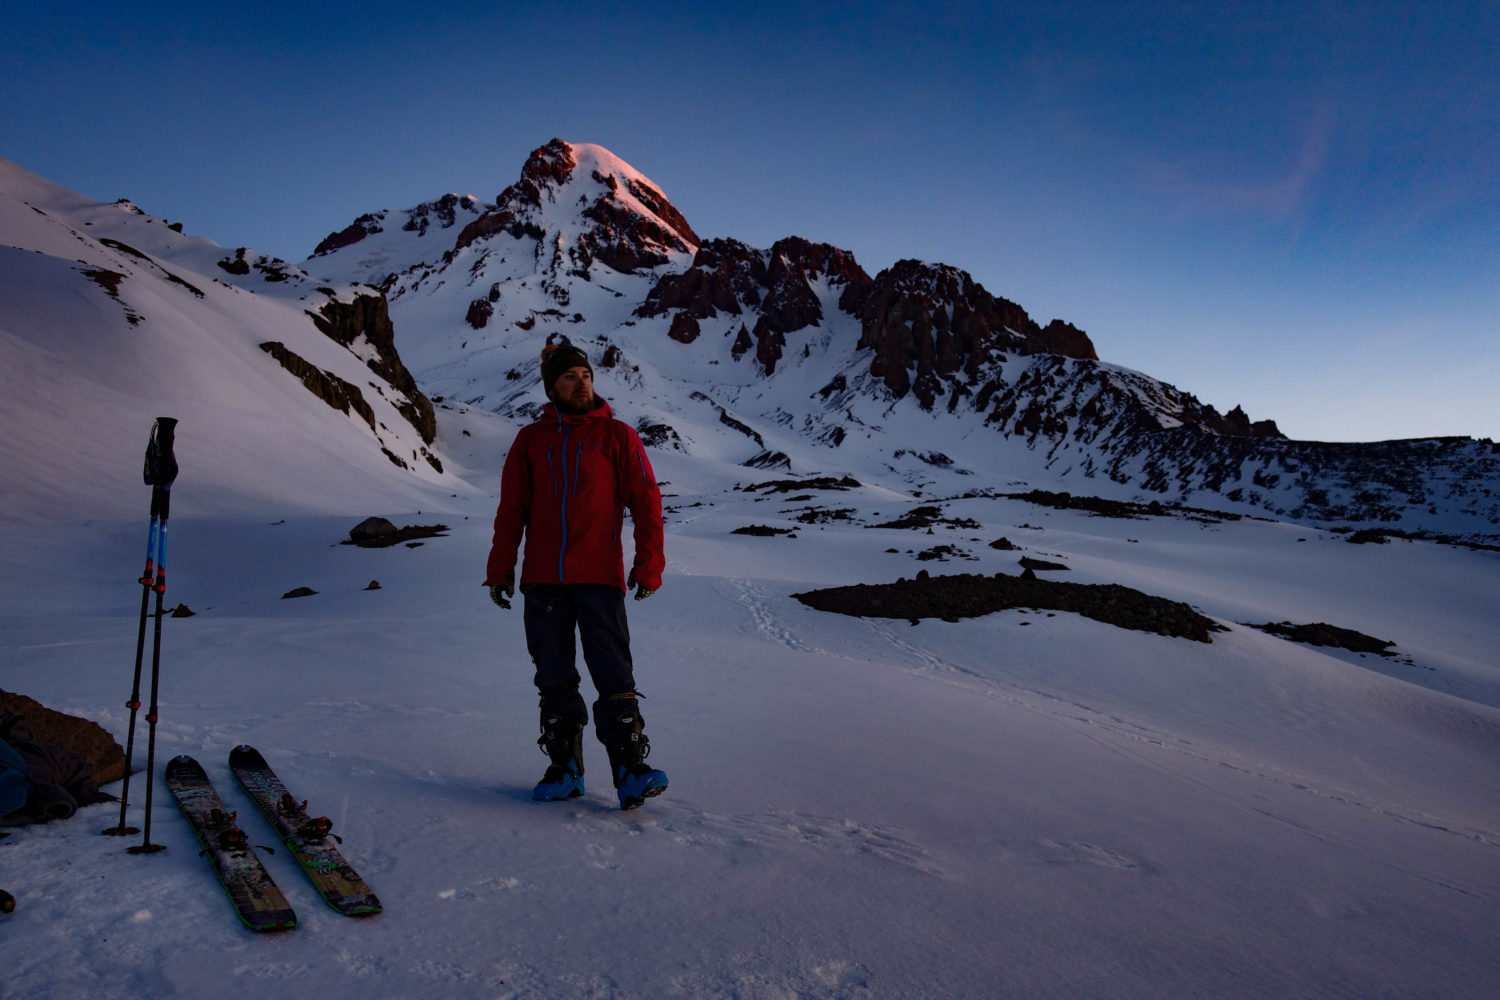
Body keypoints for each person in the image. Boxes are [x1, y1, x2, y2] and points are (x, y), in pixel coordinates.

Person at [484, 334, 669, 810]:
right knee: (553, 677)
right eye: (570, 377)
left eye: (586, 375)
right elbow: (511, 511)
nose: (582, 383)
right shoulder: (530, 440)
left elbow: (647, 502)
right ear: (552, 387)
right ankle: (565, 769)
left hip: (599, 578)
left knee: (613, 673)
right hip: (543, 581)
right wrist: (500, 570)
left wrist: (649, 565)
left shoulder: (617, 436)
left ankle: (630, 771)